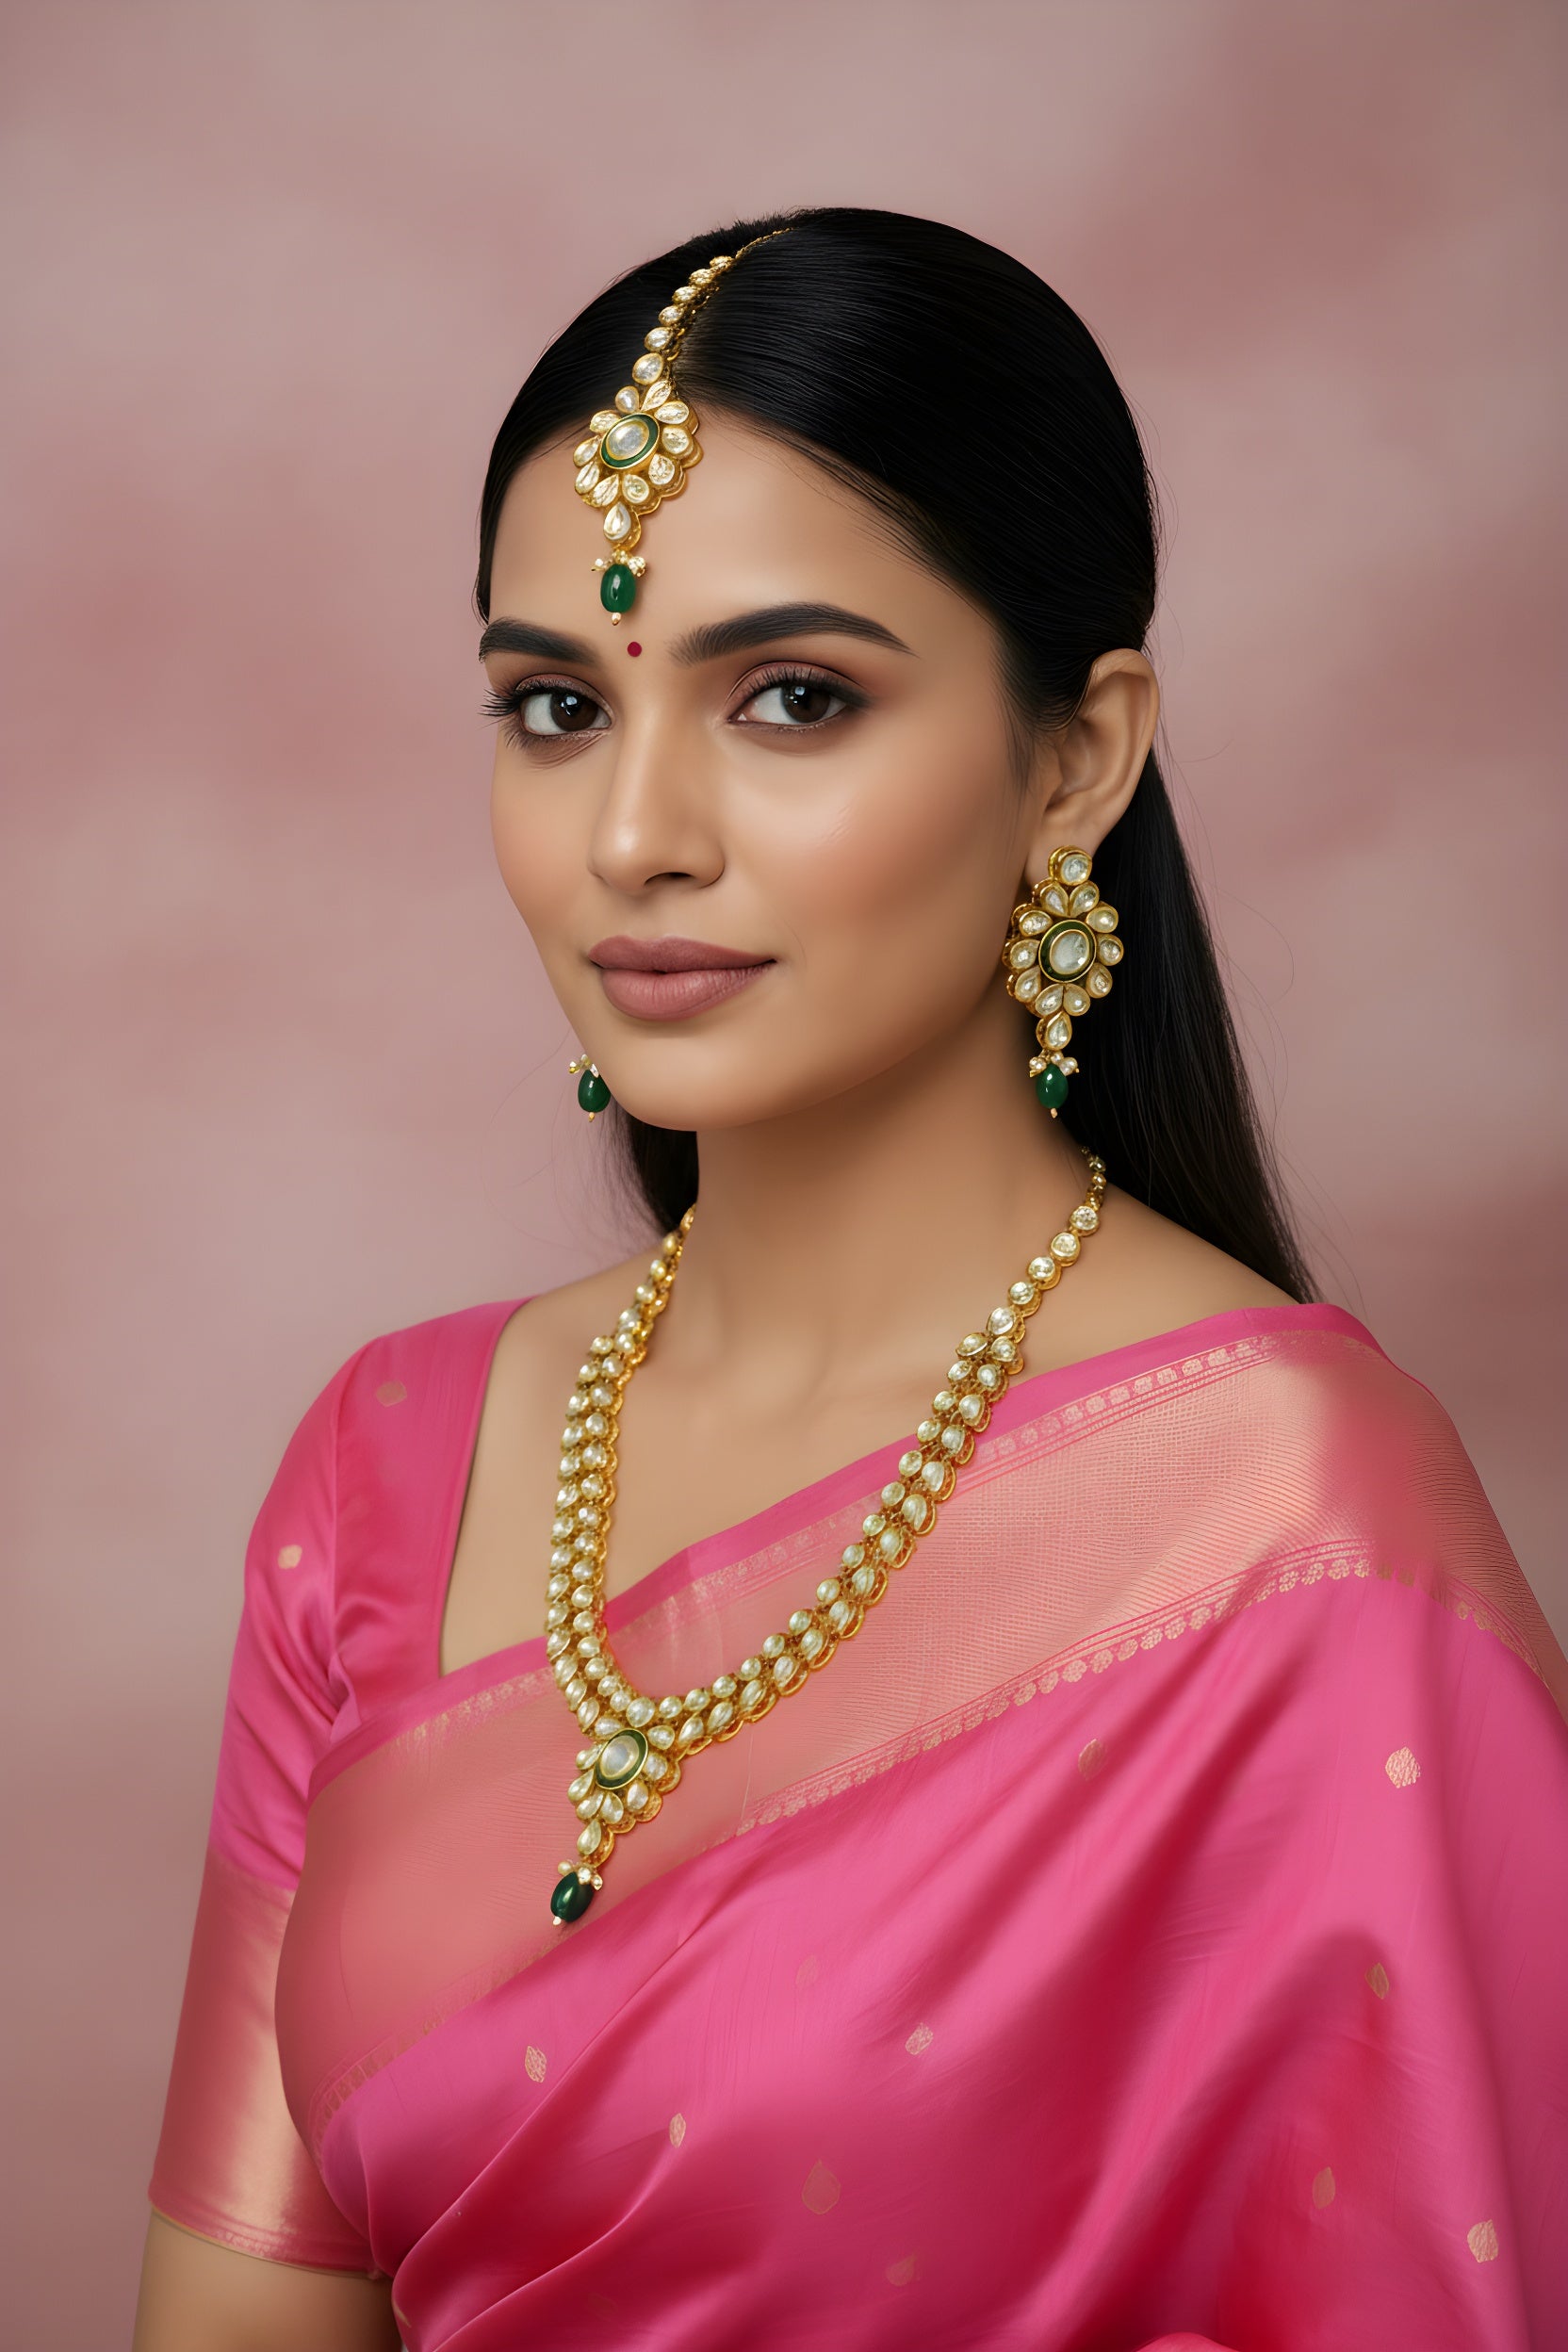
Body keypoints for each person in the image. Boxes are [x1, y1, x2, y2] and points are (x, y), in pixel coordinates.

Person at [133, 208, 1568, 2352]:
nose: (635, 834)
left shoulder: (1299, 1529)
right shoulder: (388, 1471)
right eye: (555, 706)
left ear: (1077, 758)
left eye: (791, 699)